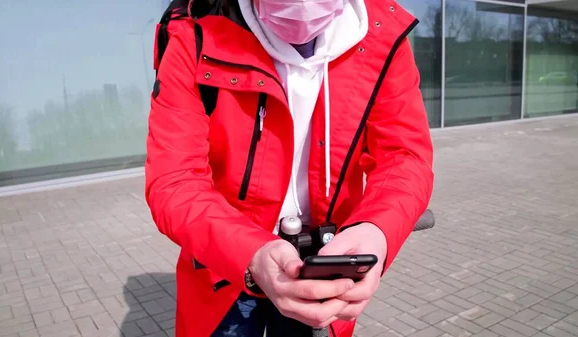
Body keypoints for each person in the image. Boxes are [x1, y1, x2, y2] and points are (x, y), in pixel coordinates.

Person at [144, 0, 434, 335]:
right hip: (225, 267)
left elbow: (405, 157)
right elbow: (174, 181)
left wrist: (377, 231)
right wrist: (249, 252)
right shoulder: (194, 36)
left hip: (326, 263)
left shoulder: (384, 37)